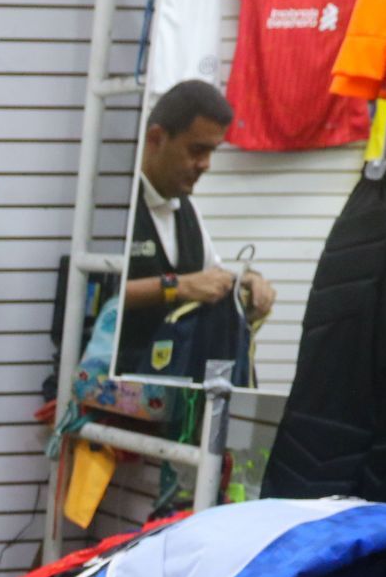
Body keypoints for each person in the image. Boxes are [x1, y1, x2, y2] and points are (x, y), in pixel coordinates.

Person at [117, 79, 277, 373]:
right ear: (155, 139)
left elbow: (209, 276)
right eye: (197, 150)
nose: (206, 164)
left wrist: (246, 283)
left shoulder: (187, 210)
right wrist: (175, 287)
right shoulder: (113, 202)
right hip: (111, 390)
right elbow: (96, 294)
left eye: (211, 151)